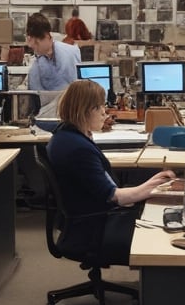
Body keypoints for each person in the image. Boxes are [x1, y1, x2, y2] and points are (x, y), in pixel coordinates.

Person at [46, 80, 176, 262]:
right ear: (83, 110)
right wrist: (152, 188)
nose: (104, 112)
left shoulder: (66, 136)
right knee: (164, 234)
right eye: (98, 107)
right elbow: (114, 196)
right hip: (96, 226)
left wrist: (151, 185)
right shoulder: (77, 149)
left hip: (88, 219)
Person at [26, 13, 81, 91]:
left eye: (35, 43)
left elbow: (72, 87)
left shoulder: (68, 54)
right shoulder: (40, 59)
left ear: (47, 37)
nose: (30, 45)